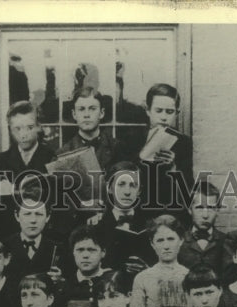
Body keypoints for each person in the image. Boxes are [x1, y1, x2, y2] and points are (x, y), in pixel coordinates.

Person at [0, 101, 57, 237]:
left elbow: (58, 205)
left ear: (39, 127)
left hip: (44, 237)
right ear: (10, 129)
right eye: (17, 128)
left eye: (30, 127)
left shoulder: (52, 158)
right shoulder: (1, 161)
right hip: (8, 236)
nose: (23, 134)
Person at [128, 83, 194, 218]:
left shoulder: (183, 143)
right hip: (138, 212)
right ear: (148, 110)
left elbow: (188, 189)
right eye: (158, 111)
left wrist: (174, 169)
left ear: (177, 113)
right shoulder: (132, 139)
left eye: (169, 112)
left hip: (170, 213)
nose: (163, 117)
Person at [89, 161, 154, 278]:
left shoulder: (151, 226)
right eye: (121, 184)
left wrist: (147, 271)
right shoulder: (95, 226)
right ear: (109, 188)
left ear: (139, 191)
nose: (127, 192)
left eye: (133, 185)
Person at [128, 215, 190, 307]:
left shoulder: (189, 275)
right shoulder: (143, 278)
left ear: (181, 240)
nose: (166, 246)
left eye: (171, 239)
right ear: (152, 244)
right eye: (160, 240)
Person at [58, 86, 126, 174]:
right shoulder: (63, 154)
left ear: (101, 113)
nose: (86, 115)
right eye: (81, 109)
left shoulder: (117, 149)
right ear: (74, 114)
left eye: (92, 109)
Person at [57, 224, 112, 307]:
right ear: (73, 252)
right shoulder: (63, 287)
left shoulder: (112, 281)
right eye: (80, 250)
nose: (85, 255)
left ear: (103, 253)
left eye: (91, 250)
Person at [2, 197, 68, 286]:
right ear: (17, 216)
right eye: (27, 214)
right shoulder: (4, 247)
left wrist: (61, 281)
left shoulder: (59, 249)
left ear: (48, 217)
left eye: (39, 214)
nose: (33, 220)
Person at [178, 180, 230, 276]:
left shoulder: (226, 241)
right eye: (199, 208)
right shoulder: (178, 241)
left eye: (210, 208)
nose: (205, 215)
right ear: (190, 210)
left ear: (217, 211)